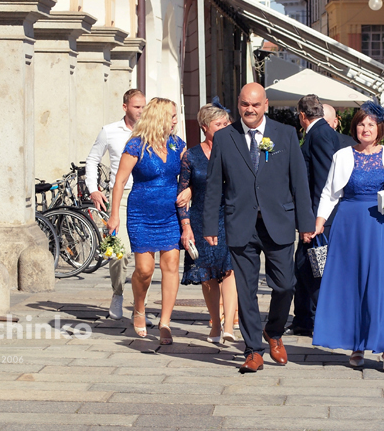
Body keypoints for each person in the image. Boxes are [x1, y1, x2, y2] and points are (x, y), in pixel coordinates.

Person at [203, 83, 314, 374]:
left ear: (265, 104)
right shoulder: (225, 138)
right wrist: (210, 225)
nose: (249, 110)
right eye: (244, 105)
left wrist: (306, 224)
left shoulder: (285, 134)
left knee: (286, 285)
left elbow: (299, 183)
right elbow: (215, 184)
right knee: (245, 289)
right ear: (237, 105)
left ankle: (273, 331)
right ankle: (253, 350)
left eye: (255, 105)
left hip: (279, 222)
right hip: (240, 223)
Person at [312, 102, 384, 371]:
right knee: (352, 286)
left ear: (380, 128)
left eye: (371, 124)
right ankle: (356, 345)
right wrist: (319, 223)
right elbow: (330, 193)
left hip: (383, 225)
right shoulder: (342, 156)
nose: (366, 128)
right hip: (349, 225)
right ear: (354, 127)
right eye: (361, 124)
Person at [107, 98, 185, 345]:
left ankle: (165, 322)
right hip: (141, 212)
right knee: (144, 269)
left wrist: (190, 191)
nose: (176, 120)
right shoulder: (136, 145)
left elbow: (192, 172)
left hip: (171, 213)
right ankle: (139, 308)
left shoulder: (176, 144)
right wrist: (114, 214)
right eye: (172, 116)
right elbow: (119, 181)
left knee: (172, 264)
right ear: (160, 117)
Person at [177, 102, 238, 344]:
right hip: (201, 218)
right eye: (219, 124)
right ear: (205, 127)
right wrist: (186, 226)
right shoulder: (190, 155)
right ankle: (215, 322)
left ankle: (230, 323)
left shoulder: (236, 149)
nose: (224, 128)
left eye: (226, 123)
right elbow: (181, 194)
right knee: (208, 273)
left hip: (230, 217)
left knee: (230, 268)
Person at [85, 89, 146, 320]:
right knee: (119, 252)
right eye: (136, 107)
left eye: (143, 107)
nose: (141, 111)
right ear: (125, 107)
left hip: (144, 196)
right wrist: (93, 189)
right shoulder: (109, 131)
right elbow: (92, 159)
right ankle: (117, 293)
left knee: (143, 256)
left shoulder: (149, 131)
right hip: (119, 198)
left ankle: (140, 306)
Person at [287, 95, 342, 337]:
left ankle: (328, 321)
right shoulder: (322, 132)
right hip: (319, 217)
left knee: (312, 269)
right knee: (307, 269)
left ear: (301, 115)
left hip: (321, 219)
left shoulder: (319, 135)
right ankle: (304, 321)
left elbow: (323, 182)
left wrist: (315, 222)